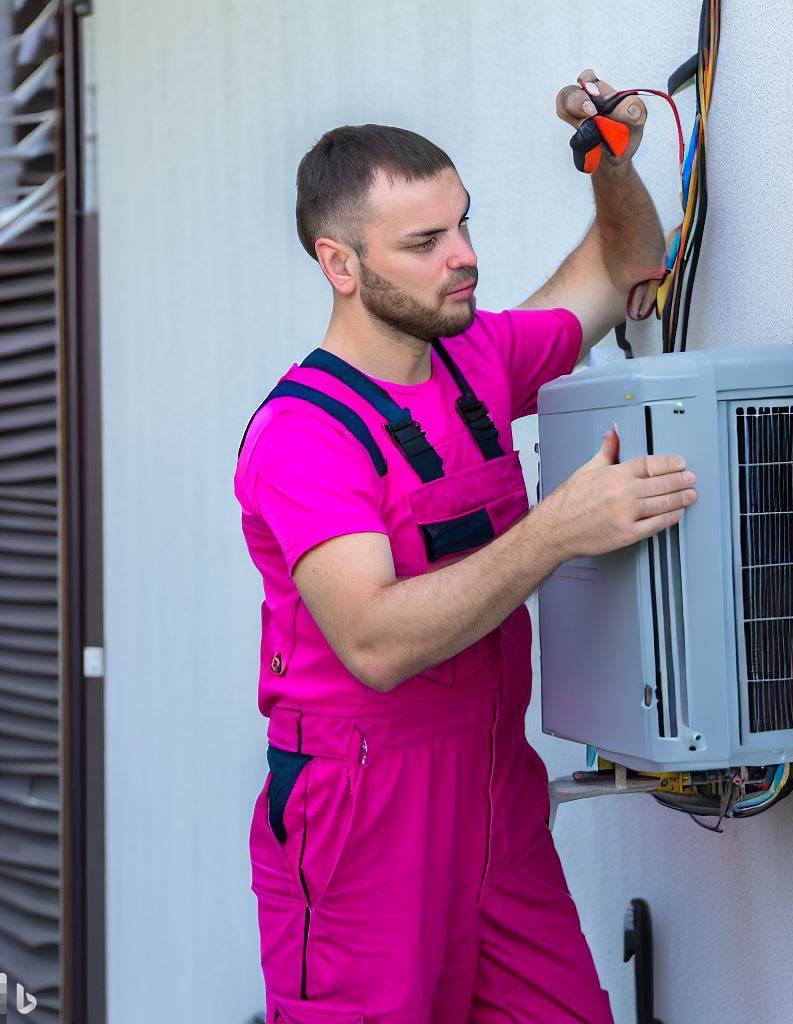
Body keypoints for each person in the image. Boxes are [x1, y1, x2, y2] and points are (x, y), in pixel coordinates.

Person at [234, 69, 699, 1024]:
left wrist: (608, 157)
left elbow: (626, 265)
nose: (465, 258)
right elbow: (372, 640)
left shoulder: (476, 357)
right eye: (425, 242)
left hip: (495, 798)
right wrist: (557, 531)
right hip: (363, 822)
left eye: (464, 226)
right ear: (340, 264)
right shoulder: (302, 435)